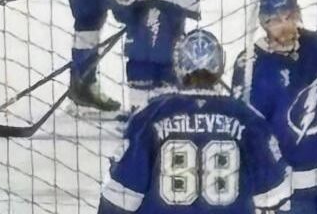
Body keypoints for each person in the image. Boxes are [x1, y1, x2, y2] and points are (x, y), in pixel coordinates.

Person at [98, 28, 291, 214]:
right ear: (219, 66)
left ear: (179, 66)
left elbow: (120, 197)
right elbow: (274, 195)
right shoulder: (247, 117)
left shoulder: (150, 115)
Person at [236, 0, 317, 214]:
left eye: (289, 16)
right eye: (276, 20)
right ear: (264, 23)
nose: (285, 26)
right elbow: (249, 130)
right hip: (287, 189)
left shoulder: (316, 46)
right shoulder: (250, 65)